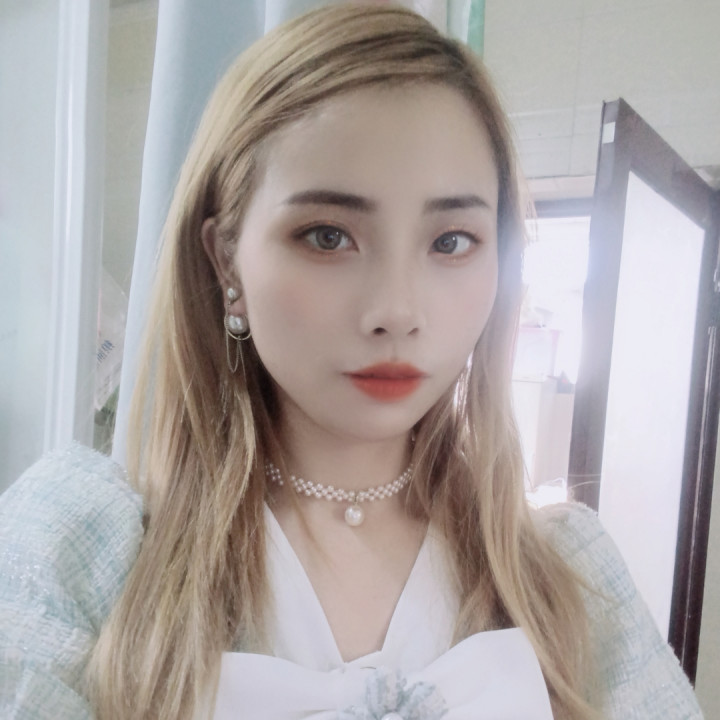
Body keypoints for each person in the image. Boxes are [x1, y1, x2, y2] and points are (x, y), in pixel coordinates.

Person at [0, 4, 703, 719]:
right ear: (226, 261)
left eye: (451, 241)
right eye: (328, 236)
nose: (396, 310)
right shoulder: (80, 554)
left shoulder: (570, 582)